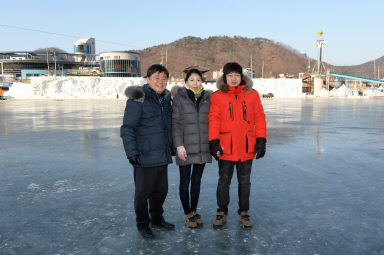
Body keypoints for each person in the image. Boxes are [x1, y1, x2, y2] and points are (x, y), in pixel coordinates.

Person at [208, 62, 267, 228]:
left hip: (247, 147)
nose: (233, 79)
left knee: (245, 182)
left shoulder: (252, 94)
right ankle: (221, 211)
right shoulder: (217, 96)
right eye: (230, 76)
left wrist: (261, 140)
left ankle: (244, 212)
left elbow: (259, 118)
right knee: (224, 181)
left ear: (242, 77)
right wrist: (213, 142)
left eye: (236, 75)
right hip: (226, 147)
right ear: (224, 77)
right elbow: (214, 120)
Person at [121, 64, 175, 239]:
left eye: (164, 78)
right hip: (144, 155)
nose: (160, 82)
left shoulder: (166, 99)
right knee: (142, 193)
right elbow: (127, 128)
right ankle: (142, 224)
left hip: (162, 154)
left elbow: (168, 127)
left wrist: (172, 146)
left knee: (161, 191)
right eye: (156, 78)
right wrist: (131, 152)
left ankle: (157, 219)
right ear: (148, 79)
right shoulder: (139, 99)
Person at [172, 68, 212, 228]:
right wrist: (179, 146)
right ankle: (187, 213)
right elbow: (175, 124)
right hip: (185, 148)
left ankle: (194, 210)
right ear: (186, 81)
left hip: (202, 147)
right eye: (192, 80)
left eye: (198, 80)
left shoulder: (207, 98)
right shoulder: (179, 98)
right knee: (184, 182)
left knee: (196, 182)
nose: (195, 83)